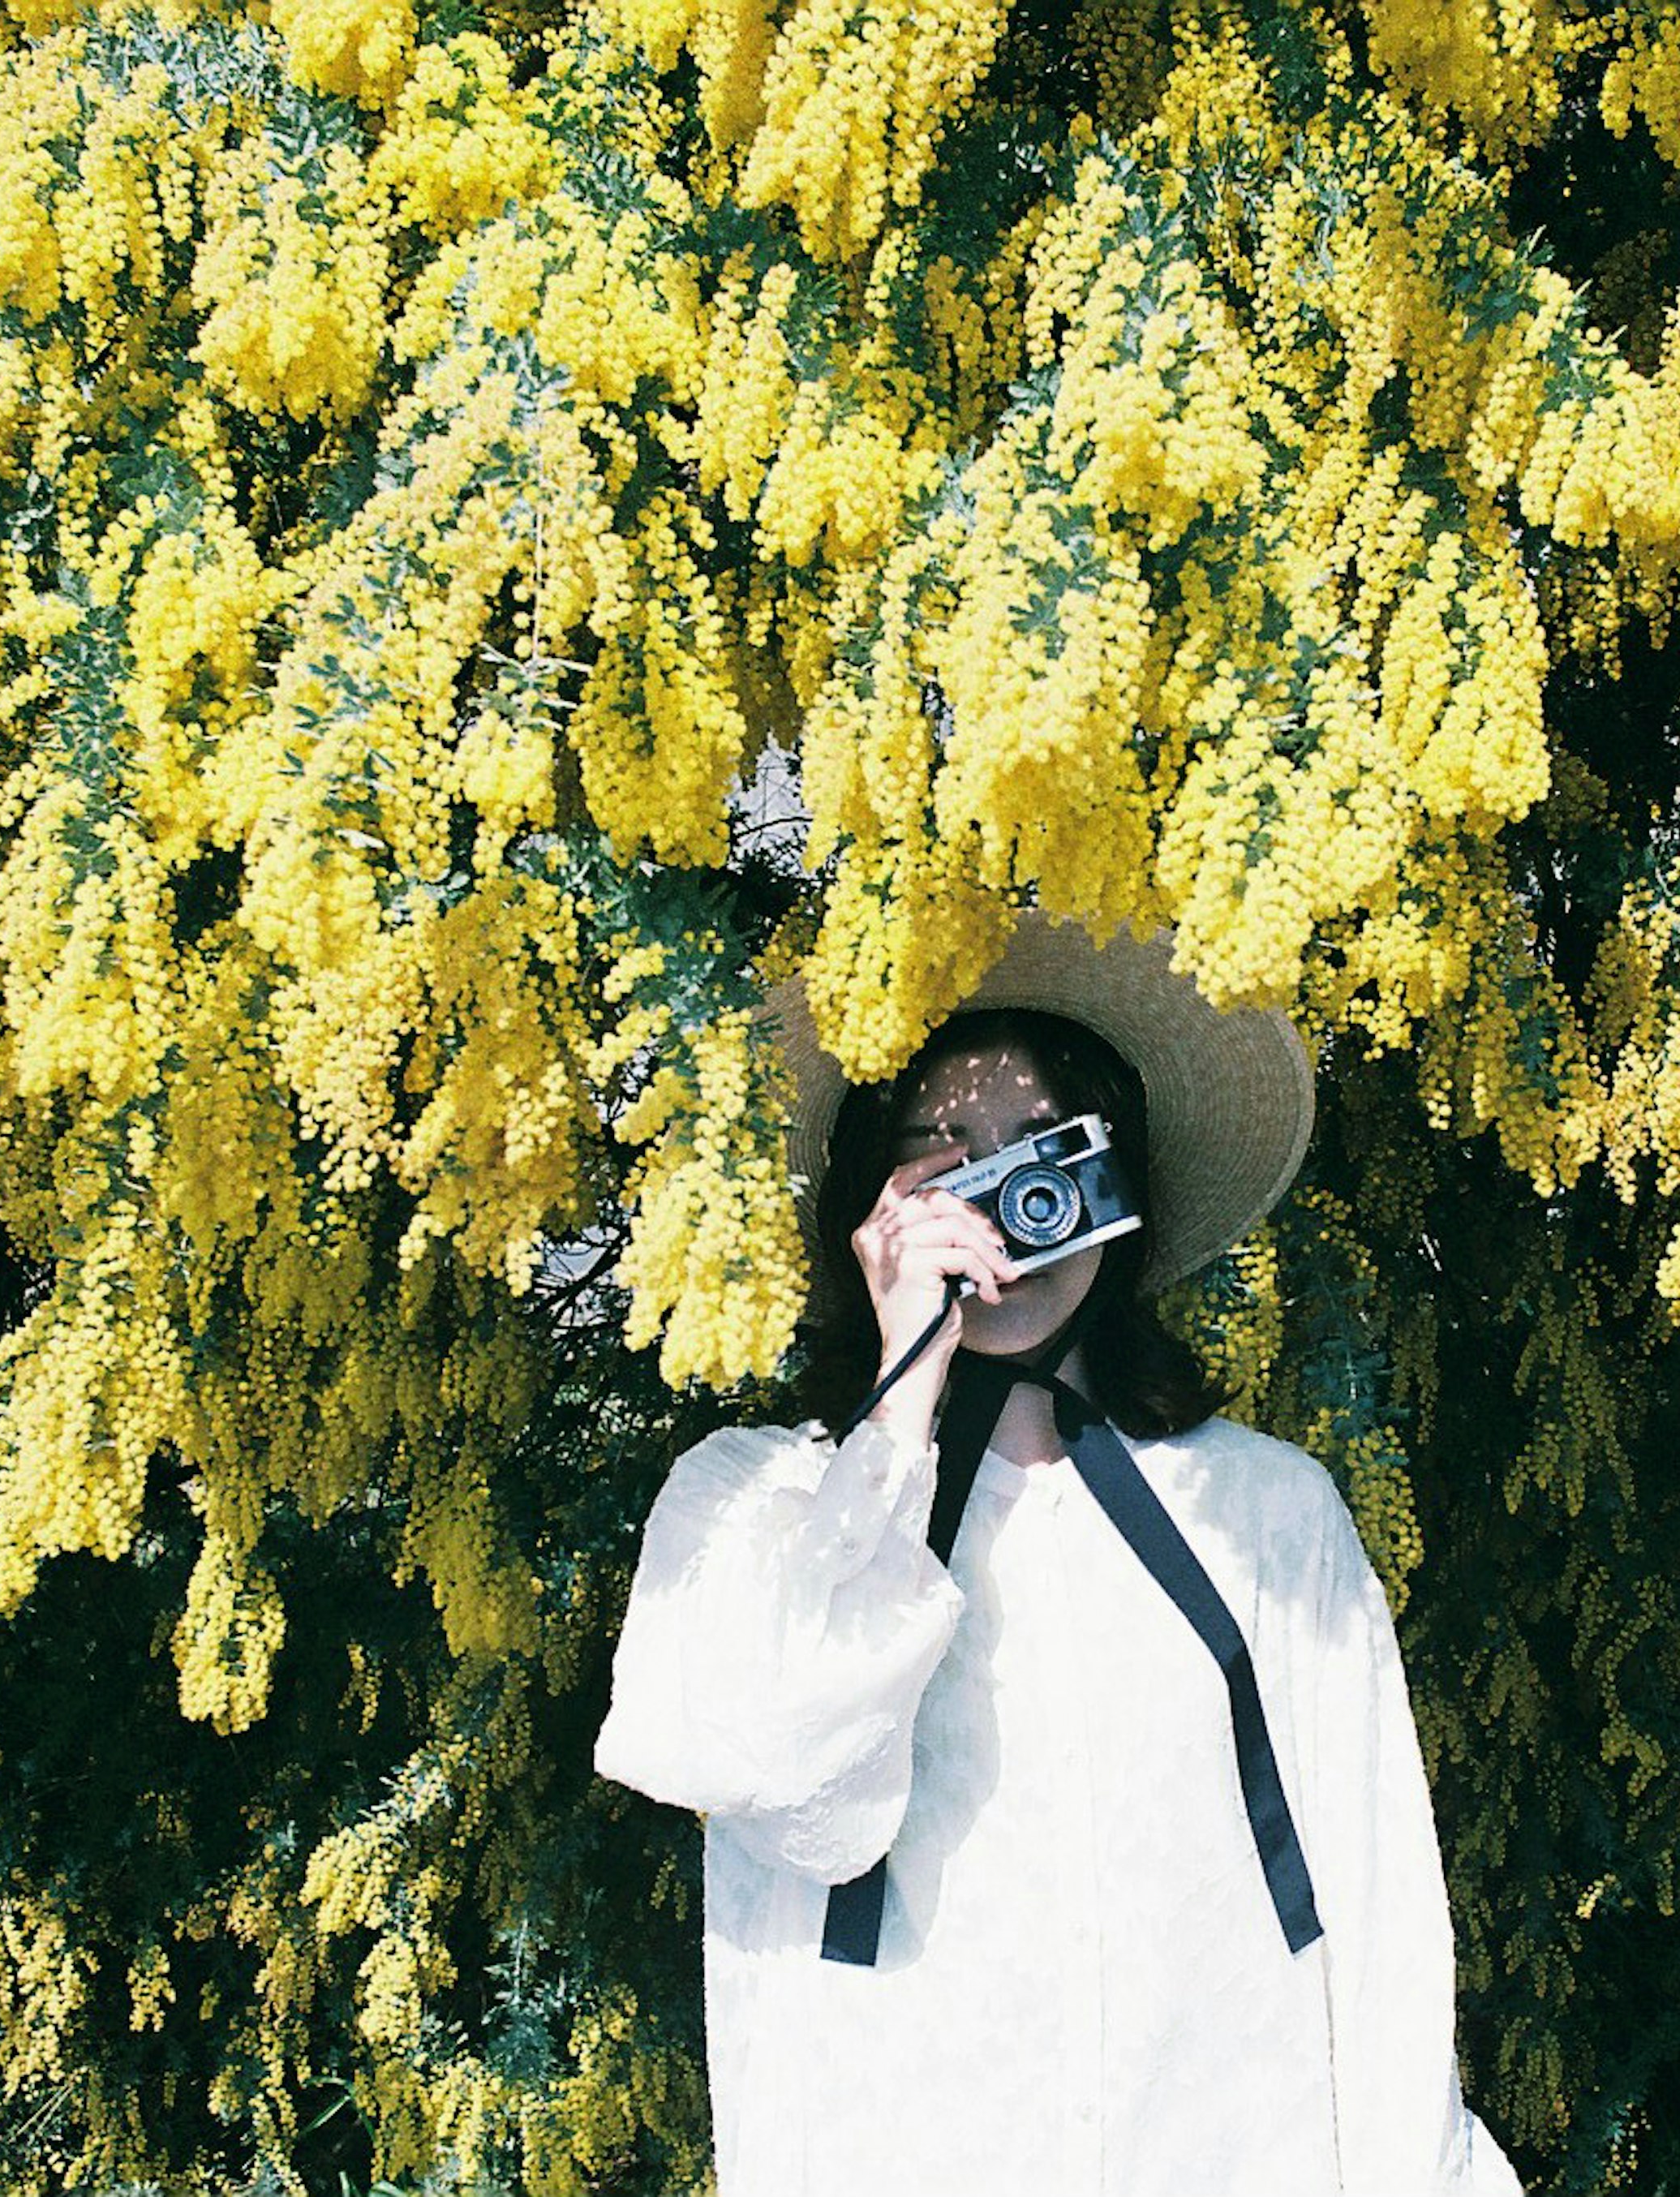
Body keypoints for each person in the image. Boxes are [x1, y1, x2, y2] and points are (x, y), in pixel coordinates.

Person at [594, 912, 1525, 2195]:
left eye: (1050, 1155)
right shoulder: (756, 1504)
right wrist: (901, 1396)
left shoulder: (1267, 1510)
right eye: (948, 1155)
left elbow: (1375, 1904)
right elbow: (791, 1790)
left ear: (1119, 1187)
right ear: (873, 1193)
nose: (1005, 1202)